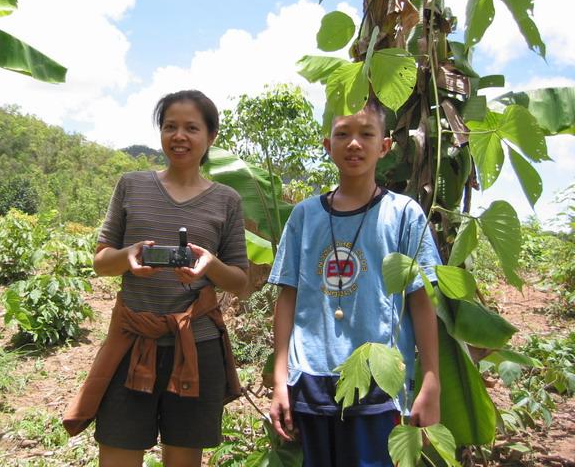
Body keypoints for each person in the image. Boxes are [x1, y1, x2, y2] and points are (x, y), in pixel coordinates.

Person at [63, 90, 249, 467]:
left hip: (195, 347)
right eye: (170, 126)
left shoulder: (226, 200)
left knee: (183, 459)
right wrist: (128, 257)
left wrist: (209, 264)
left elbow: (240, 282)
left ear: (211, 136)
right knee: (117, 453)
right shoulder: (131, 185)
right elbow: (101, 261)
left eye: (191, 128)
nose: (179, 136)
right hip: (132, 342)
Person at [268, 97, 441, 467]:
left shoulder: (404, 215)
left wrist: (431, 380)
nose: (354, 143)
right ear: (327, 145)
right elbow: (287, 297)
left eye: (366, 133)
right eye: (342, 134)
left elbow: (421, 301)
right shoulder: (304, 215)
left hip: (379, 380)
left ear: (385, 146)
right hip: (312, 377)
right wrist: (280, 379)